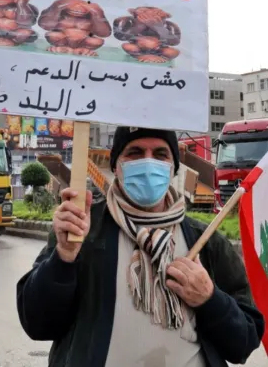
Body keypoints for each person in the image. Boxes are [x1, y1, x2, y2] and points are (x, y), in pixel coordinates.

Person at [16, 126, 265, 367]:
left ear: (173, 168)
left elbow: (243, 342)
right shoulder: (82, 231)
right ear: (116, 166)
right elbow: (38, 324)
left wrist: (209, 299)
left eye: (160, 154)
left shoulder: (206, 241)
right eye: (135, 153)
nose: (148, 163)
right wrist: (63, 259)